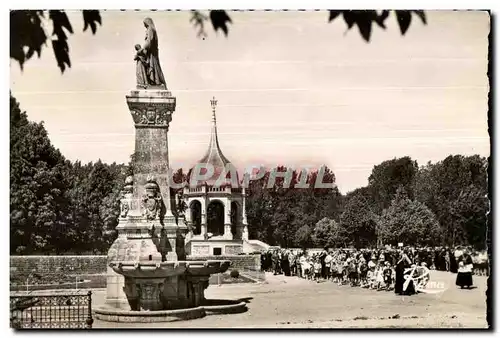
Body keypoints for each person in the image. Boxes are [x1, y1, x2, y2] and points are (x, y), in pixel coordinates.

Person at [140, 17, 166, 87]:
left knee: (154, 66)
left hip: (152, 53)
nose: (144, 25)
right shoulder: (151, 29)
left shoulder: (150, 29)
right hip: (151, 53)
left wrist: (142, 49)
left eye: (144, 24)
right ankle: (155, 81)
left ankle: (156, 82)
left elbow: (149, 41)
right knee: (154, 67)